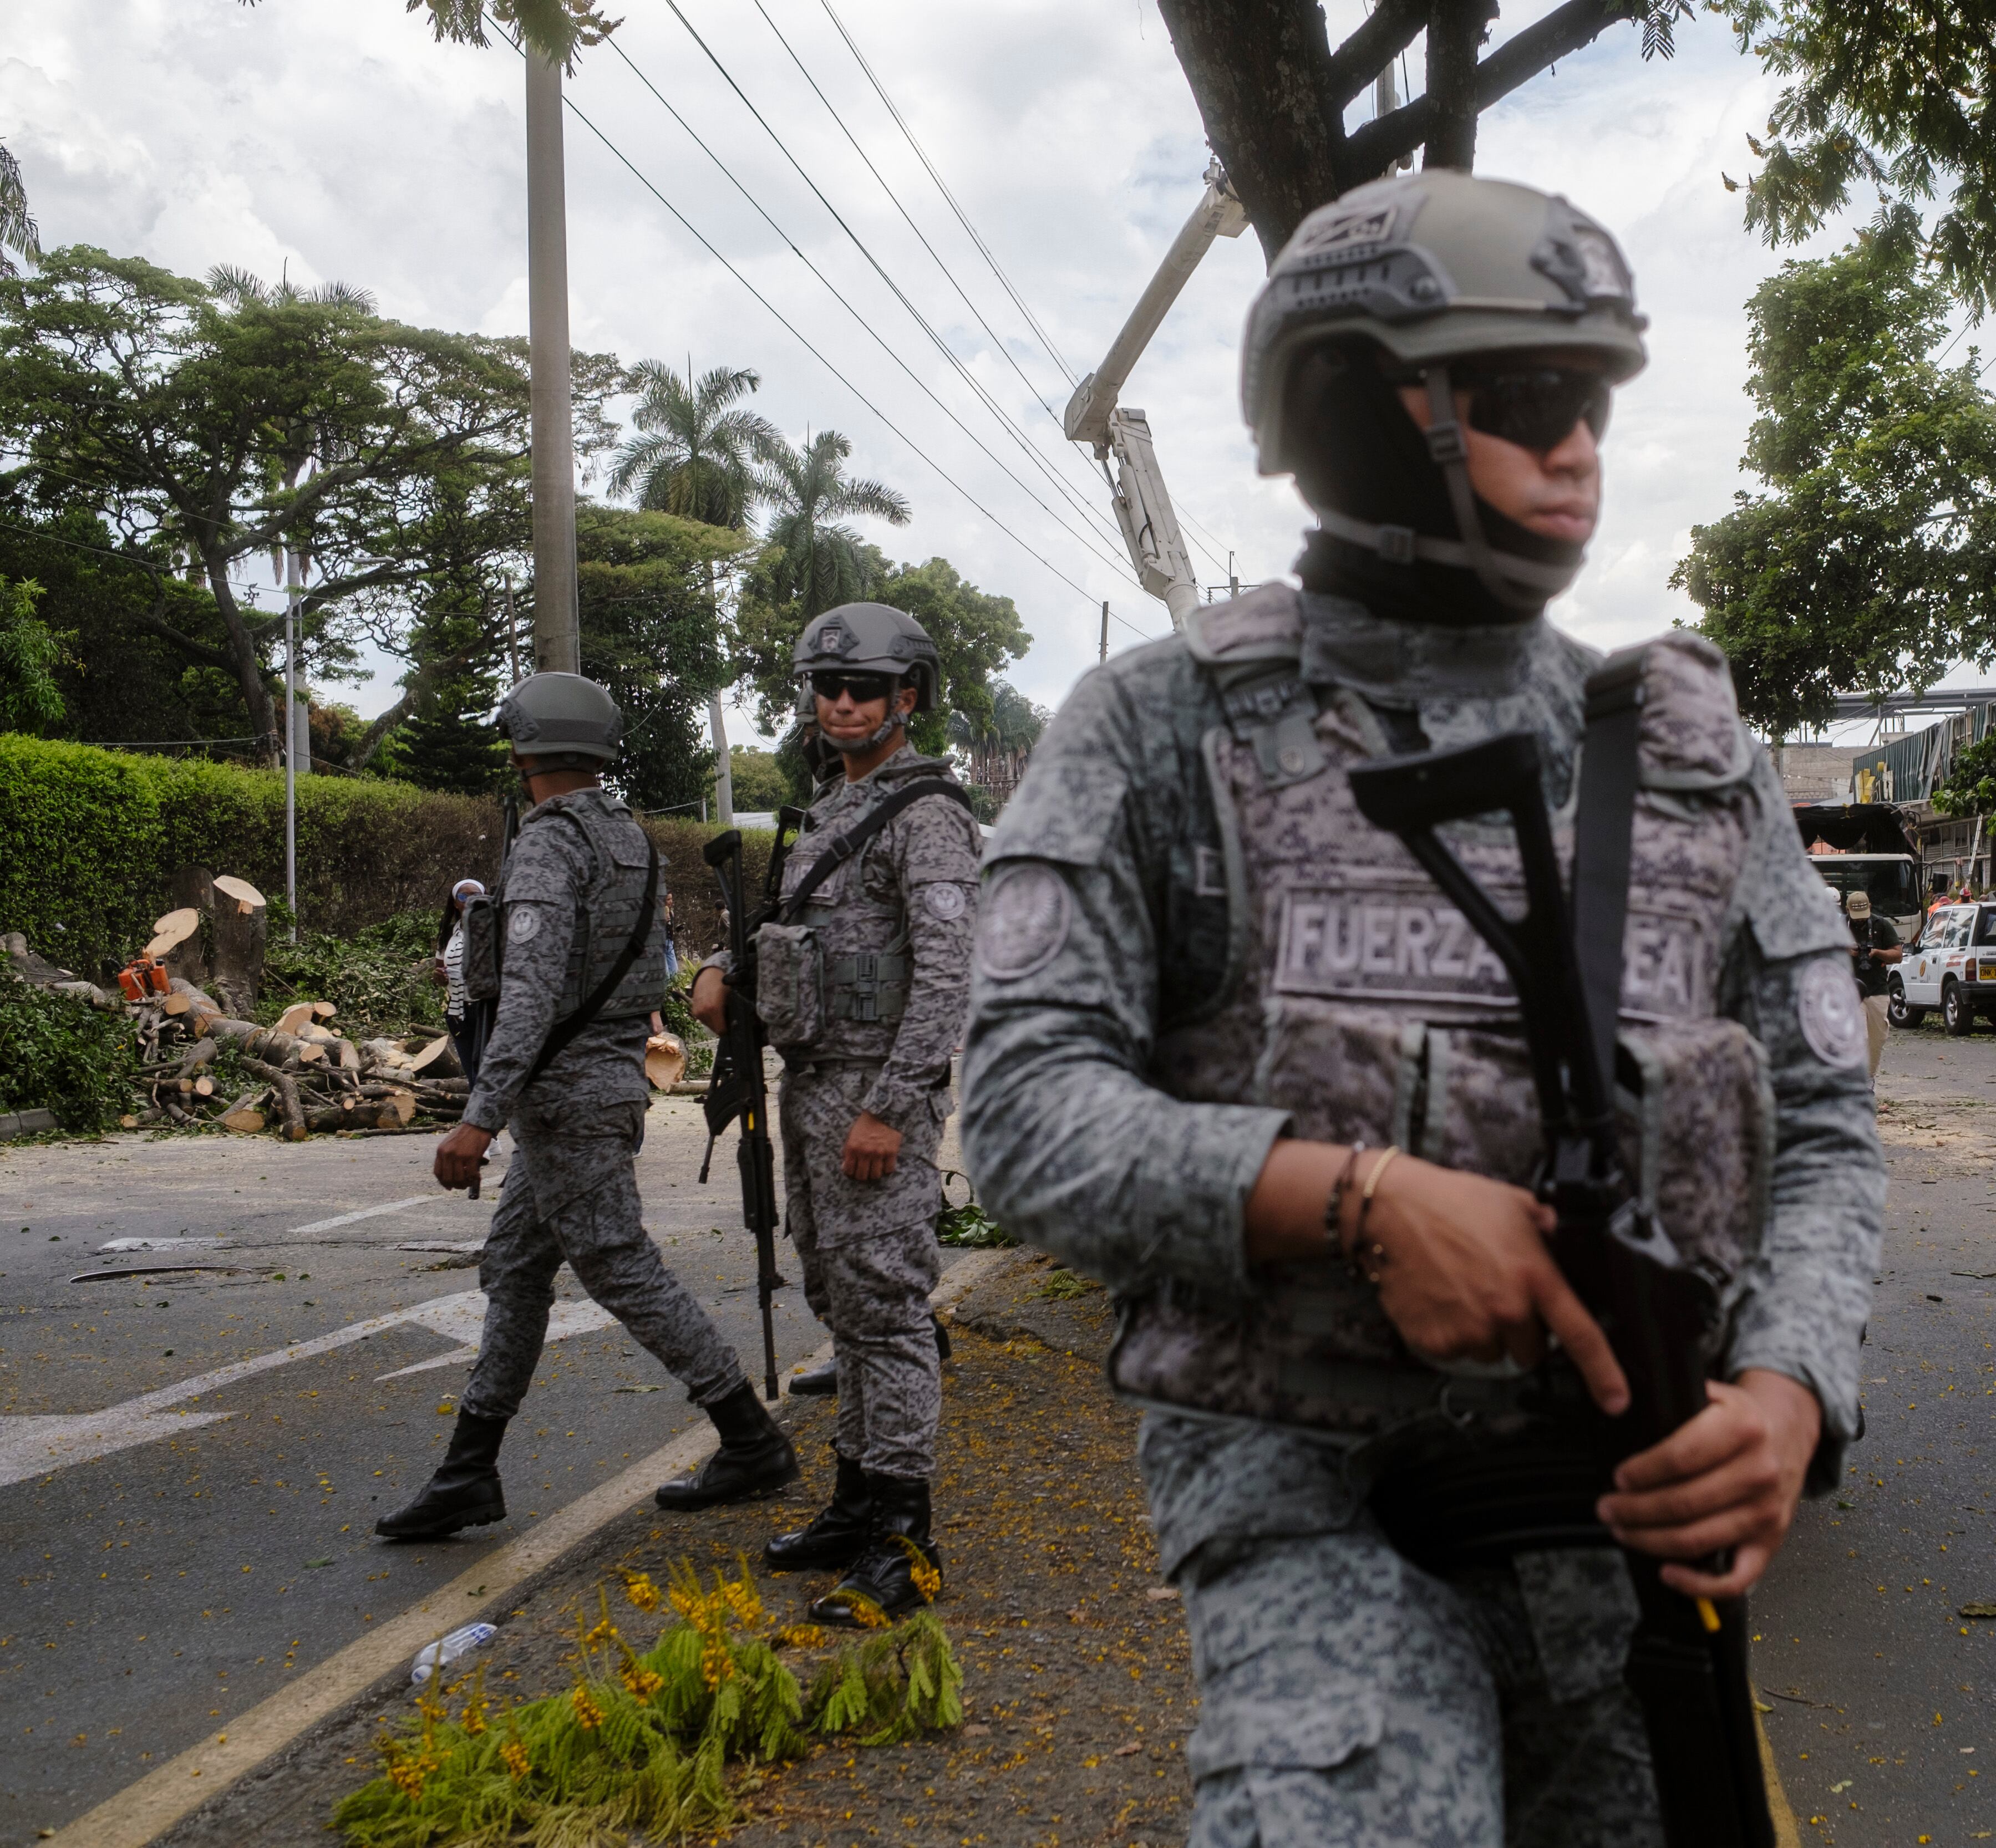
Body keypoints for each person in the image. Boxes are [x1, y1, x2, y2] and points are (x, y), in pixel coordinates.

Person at [962, 170, 1885, 1845]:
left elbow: (1822, 1125)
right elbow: (1020, 1108)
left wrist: (1789, 1389)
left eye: (1592, 402)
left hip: (1633, 1520)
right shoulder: (1162, 728)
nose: (1580, 448)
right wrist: (1357, 1200)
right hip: (1321, 1505)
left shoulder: (1688, 763)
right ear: (1355, 405)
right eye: (1526, 400)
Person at [378, 672, 795, 1540]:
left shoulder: (546, 846)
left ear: (525, 749)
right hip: (596, 1084)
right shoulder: (631, 840)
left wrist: (477, 1118)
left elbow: (526, 998)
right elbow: (653, 971)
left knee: (617, 1263)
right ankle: (468, 1471)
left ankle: (749, 1434)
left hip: (565, 1100)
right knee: (517, 1268)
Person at [692, 603, 979, 1625]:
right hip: (809, 1083)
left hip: (873, 1099)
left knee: (890, 1313)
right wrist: (726, 966)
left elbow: (948, 976)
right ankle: (856, 1501)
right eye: (828, 686)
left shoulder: (927, 812)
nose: (844, 702)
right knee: (841, 1297)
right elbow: (783, 923)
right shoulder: (823, 809)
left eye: (864, 687)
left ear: (908, 697)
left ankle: (907, 1539)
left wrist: (893, 1109)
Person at [433, 878, 486, 1085]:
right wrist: (439, 978)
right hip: (458, 1012)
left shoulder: (493, 930)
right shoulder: (448, 935)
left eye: (476, 896)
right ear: (456, 902)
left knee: (484, 1068)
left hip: (486, 1008)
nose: (470, 900)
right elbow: (439, 972)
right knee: (471, 1072)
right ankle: (476, 1116)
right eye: (464, 896)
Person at [1843, 888, 1899, 1081]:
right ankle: (1855, 1079)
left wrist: (1877, 953)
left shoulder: (1881, 925)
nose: (1859, 920)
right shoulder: (1838, 926)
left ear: (1871, 907)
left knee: (1877, 1039)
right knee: (1860, 1038)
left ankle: (1869, 1079)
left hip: (1877, 989)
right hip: (1850, 991)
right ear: (1847, 910)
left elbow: (1898, 955)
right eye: (1855, 915)